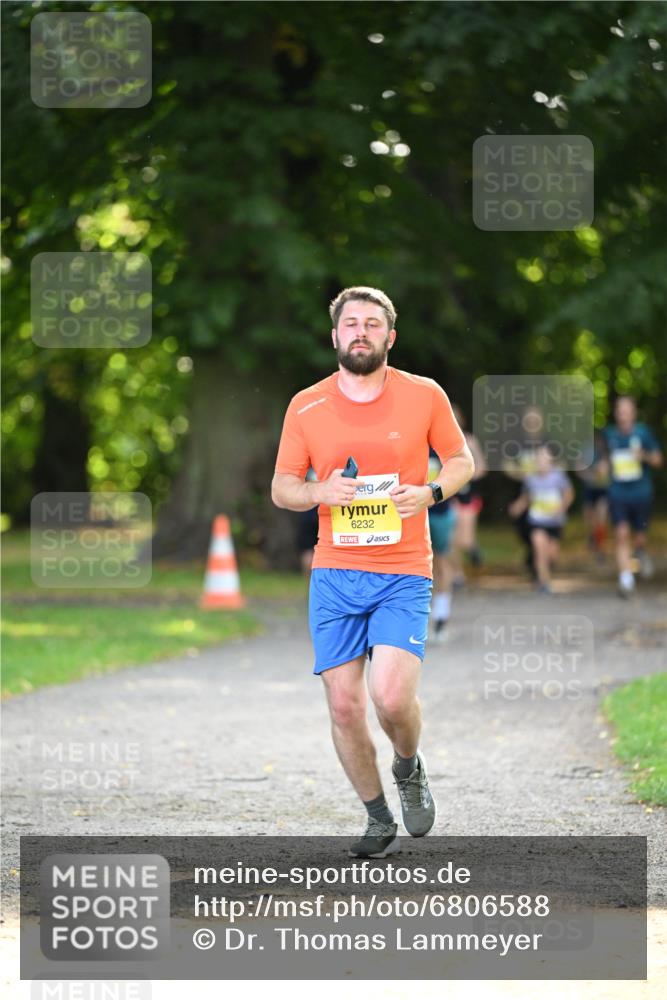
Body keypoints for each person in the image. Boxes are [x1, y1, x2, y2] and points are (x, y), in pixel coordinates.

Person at [271, 286, 474, 858]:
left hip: (403, 569)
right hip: (335, 572)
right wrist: (319, 491)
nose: (361, 331)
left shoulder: (424, 395)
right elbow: (283, 488)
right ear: (335, 335)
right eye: (351, 323)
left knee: (390, 697)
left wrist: (430, 493)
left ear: (390, 336)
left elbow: (461, 461)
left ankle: (408, 766)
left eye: (372, 323)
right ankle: (377, 815)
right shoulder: (305, 405)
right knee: (343, 705)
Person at [602, 396, 663, 598]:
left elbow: (658, 460)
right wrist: (603, 467)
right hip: (618, 493)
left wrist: (643, 456)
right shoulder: (609, 434)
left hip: (641, 494)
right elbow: (603, 460)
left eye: (627, 410)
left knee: (639, 537)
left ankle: (640, 550)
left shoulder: (643, 433)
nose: (623, 415)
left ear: (634, 413)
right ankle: (626, 579)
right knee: (621, 534)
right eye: (620, 411)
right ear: (616, 413)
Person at [508, 445, 574, 594]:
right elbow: (527, 497)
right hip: (536, 520)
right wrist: (517, 507)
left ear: (551, 460)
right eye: (538, 458)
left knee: (552, 554)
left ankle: (545, 574)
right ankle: (544, 582)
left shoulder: (558, 477)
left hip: (554, 522)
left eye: (544, 458)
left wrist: (561, 508)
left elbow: (569, 494)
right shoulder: (531, 479)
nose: (541, 461)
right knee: (539, 548)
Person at [450, 403, 487, 587]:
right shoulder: (439, 441)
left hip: (468, 495)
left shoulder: (470, 441)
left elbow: (482, 468)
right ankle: (457, 574)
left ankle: (473, 549)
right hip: (449, 496)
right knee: (451, 539)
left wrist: (465, 474)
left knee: (464, 540)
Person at [427, 448, 458, 642]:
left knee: (441, 562)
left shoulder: (441, 447)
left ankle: (441, 615)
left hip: (439, 514)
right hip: (412, 514)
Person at [577, 430, 610, 563]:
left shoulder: (608, 452)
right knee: (590, 519)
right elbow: (579, 467)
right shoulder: (586, 450)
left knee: (601, 519)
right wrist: (590, 475)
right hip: (589, 489)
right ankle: (592, 537)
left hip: (602, 491)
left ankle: (601, 549)